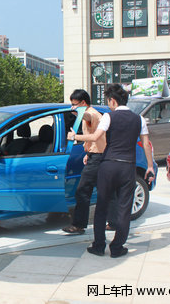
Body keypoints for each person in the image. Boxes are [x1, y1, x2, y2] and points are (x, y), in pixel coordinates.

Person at [68, 84, 155, 258]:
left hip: (108, 166)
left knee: (102, 206)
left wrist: (74, 136)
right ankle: (117, 248)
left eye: (109, 102)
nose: (108, 105)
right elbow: (146, 144)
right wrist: (150, 167)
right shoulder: (139, 119)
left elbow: (94, 137)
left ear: (113, 100)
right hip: (127, 167)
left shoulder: (108, 116)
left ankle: (99, 246)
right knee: (123, 208)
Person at [62, 89, 106, 235]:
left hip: (98, 157)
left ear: (83, 103)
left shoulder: (91, 114)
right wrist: (88, 152)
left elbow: (92, 132)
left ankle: (79, 225)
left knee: (82, 191)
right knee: (105, 191)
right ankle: (113, 221)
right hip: (95, 155)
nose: (72, 108)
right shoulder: (88, 114)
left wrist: (75, 137)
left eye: (75, 105)